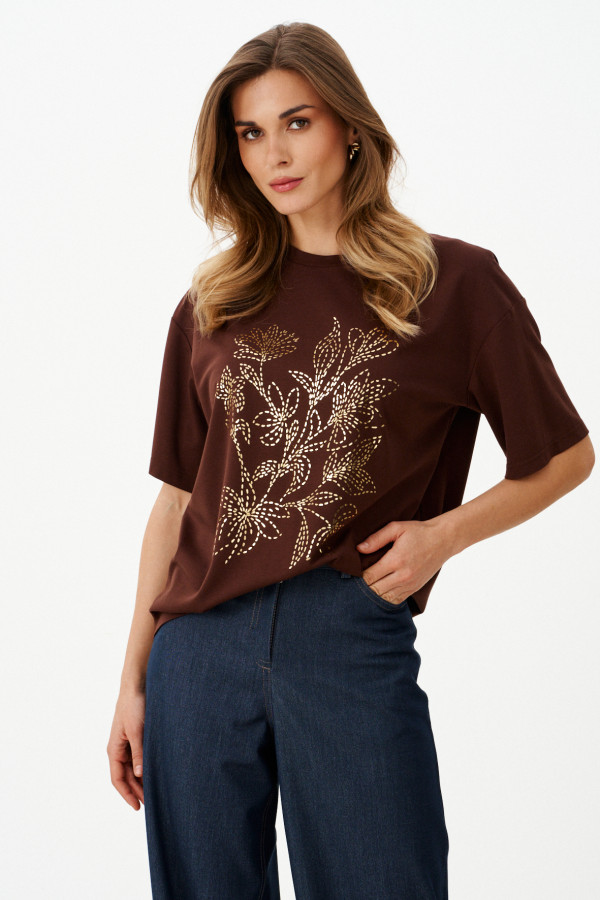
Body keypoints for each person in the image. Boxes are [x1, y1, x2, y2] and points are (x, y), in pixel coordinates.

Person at [106, 21, 594, 900]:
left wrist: (444, 536)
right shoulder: (213, 303)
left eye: (297, 122)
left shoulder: (453, 284)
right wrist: (133, 679)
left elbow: (565, 456)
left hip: (347, 633)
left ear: (351, 127)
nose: (273, 154)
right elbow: (176, 503)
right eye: (250, 133)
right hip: (197, 653)